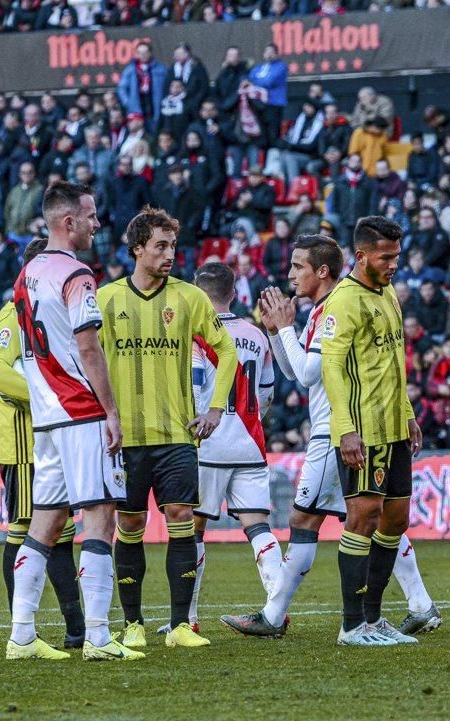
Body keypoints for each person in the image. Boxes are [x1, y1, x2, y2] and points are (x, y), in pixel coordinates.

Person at [222, 234, 440, 639]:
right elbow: (293, 371)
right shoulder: (322, 309)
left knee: (314, 519)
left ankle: (276, 616)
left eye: (298, 266)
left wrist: (286, 328)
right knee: (377, 518)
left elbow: (309, 374)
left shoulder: (334, 309)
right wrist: (275, 332)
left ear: (322, 271)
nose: (290, 274)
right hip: (345, 428)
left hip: (336, 431)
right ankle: (419, 604)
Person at [97, 206, 238, 650]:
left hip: (178, 435)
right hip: (126, 439)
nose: (169, 254)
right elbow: (84, 362)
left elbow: (227, 351)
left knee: (181, 520)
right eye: (160, 245)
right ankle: (133, 623)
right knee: (130, 525)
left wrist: (216, 409)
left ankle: (180, 626)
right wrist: (100, 416)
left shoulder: (189, 298)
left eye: (172, 245)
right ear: (137, 248)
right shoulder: (106, 300)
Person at [6, 182, 136, 661]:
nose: (97, 223)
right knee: (101, 518)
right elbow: (87, 346)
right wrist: (112, 411)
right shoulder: (77, 273)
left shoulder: (27, 273)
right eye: (91, 215)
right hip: (80, 411)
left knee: (44, 524)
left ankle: (21, 634)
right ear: (68, 222)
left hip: (46, 417)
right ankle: (99, 636)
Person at [319, 216, 424, 646]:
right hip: (363, 429)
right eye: (386, 257)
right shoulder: (344, 301)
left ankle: (374, 618)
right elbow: (332, 367)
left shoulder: (388, 294)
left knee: (394, 520)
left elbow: (393, 363)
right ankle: (351, 625)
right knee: (362, 518)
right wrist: (345, 430)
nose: (394, 264)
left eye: (397, 255)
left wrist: (409, 412)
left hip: (394, 426)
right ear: (361, 256)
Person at [0, 236, 84, 649]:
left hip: (52, 436)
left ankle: (77, 630)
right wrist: (43, 392)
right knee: (26, 527)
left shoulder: (52, 313)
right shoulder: (13, 313)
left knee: (60, 531)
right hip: (24, 445)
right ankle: (21, 632)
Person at [175, 262, 277, 634]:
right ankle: (276, 610)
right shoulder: (256, 334)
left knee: (193, 531)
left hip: (208, 444)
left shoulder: (197, 334)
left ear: (197, 295)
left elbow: (197, 388)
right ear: (233, 293)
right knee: (259, 528)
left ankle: (188, 618)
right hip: (249, 444)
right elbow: (265, 393)